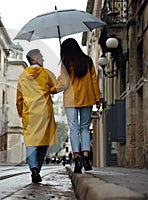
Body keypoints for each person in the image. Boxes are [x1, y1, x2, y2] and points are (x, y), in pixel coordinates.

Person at [52, 38, 100, 173]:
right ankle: (86, 157)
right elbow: (94, 80)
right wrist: (97, 98)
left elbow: (64, 84)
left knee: (73, 128)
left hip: (71, 100)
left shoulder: (66, 63)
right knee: (84, 128)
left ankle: (77, 158)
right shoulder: (88, 61)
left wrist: (52, 88)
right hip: (87, 97)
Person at [16, 49, 58, 183]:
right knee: (43, 142)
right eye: (41, 57)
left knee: (31, 142)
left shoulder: (23, 76)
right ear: (35, 59)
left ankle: (34, 169)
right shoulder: (45, 73)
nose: (43, 59)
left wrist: (21, 113)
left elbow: (19, 98)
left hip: (30, 113)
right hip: (44, 112)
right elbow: (54, 88)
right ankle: (37, 170)